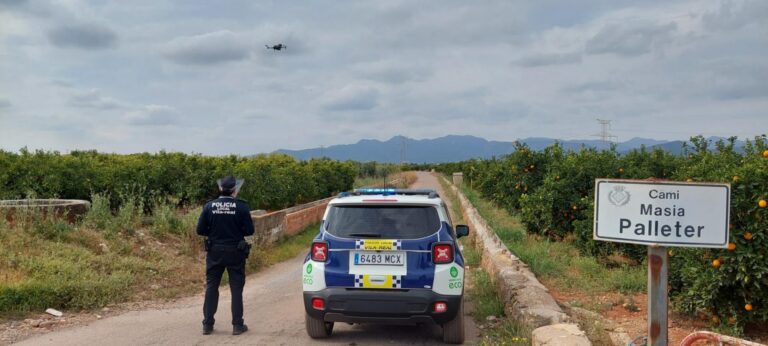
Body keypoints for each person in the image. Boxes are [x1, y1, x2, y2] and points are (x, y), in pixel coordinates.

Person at [196, 176, 255, 335]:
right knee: (236, 288)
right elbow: (250, 231)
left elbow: (200, 230)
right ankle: (237, 325)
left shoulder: (209, 206)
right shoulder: (241, 207)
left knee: (211, 286)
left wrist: (214, 232)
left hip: (215, 251)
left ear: (221, 189)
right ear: (234, 190)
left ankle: (207, 325)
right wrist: (236, 231)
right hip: (235, 251)